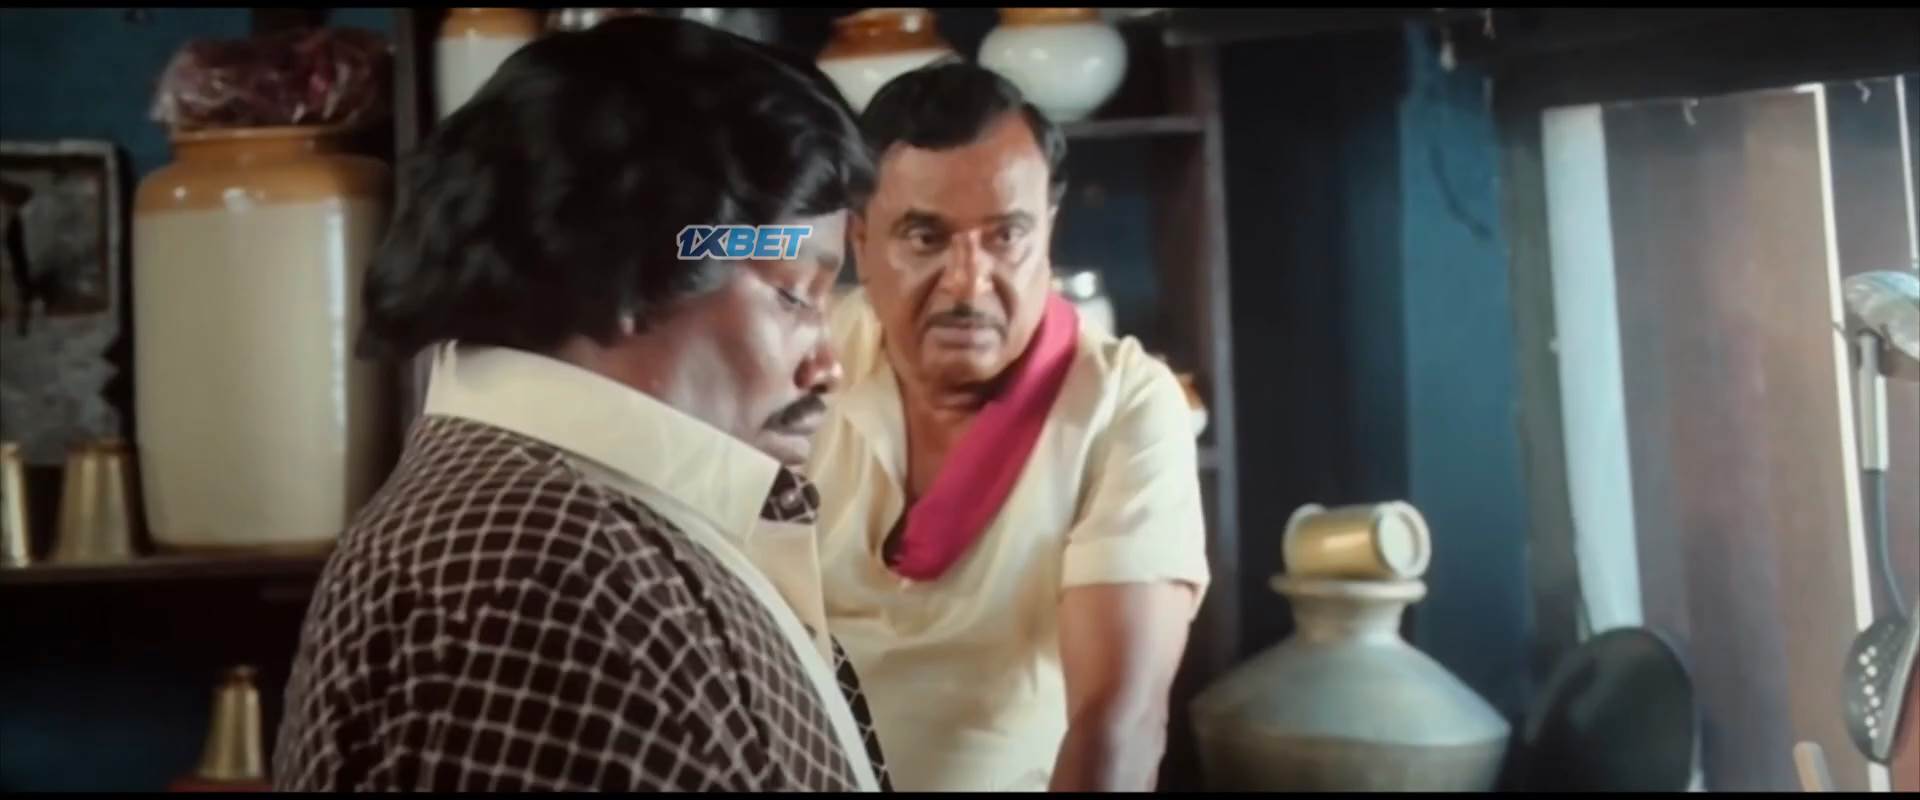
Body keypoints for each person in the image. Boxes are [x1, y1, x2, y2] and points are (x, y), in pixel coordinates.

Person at [272, 16, 889, 792]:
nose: (830, 366)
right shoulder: (545, 580)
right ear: (634, 267)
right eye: (795, 293)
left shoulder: (586, 531)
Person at [806, 62, 1211, 792]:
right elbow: (692, 245)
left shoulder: (1123, 404)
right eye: (924, 238)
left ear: (1048, 231)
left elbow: (1119, 722)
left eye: (1006, 236)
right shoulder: (805, 357)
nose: (969, 282)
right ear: (858, 243)